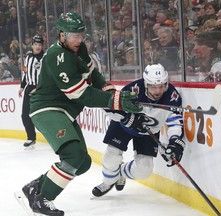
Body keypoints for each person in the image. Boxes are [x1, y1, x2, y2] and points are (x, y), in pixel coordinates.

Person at [21, 12, 142, 216]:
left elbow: (92, 74)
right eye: (73, 36)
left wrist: (110, 91)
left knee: (83, 163)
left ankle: (35, 187)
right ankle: (42, 199)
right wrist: (116, 100)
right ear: (61, 35)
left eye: (80, 35)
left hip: (64, 111)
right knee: (73, 156)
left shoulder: (79, 48)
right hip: (47, 109)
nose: (78, 40)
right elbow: (80, 94)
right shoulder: (57, 57)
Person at [92, 63, 185, 197]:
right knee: (111, 155)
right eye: (153, 87)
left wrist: (174, 141)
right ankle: (108, 181)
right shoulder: (133, 89)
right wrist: (127, 118)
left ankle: (120, 173)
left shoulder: (172, 97)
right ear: (146, 84)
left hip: (149, 132)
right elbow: (109, 106)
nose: (158, 91)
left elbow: (175, 122)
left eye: (161, 86)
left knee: (144, 170)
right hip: (123, 126)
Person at [18, 34, 44, 147]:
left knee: (42, 115)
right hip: (29, 88)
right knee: (25, 115)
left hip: (42, 88)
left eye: (39, 44)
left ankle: (53, 137)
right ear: (32, 45)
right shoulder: (28, 57)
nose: (37, 46)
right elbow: (25, 73)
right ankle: (31, 138)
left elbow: (48, 76)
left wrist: (38, 88)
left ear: (42, 46)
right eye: (35, 44)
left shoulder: (45, 58)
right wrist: (22, 87)